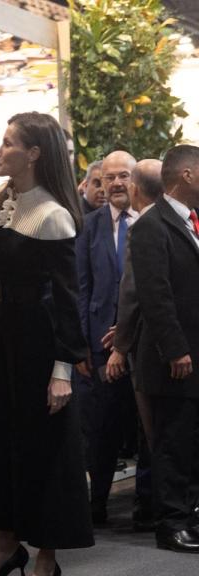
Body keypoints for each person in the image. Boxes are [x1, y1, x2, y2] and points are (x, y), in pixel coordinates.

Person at [0, 112, 93, 576]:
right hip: (3, 347)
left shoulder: (55, 216)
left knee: (45, 453)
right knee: (4, 447)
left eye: (9, 143)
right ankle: (7, 546)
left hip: (39, 350)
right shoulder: (4, 201)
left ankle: (46, 559)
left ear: (33, 154)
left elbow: (67, 304)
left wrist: (62, 371)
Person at [129, 144, 199, 553]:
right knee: (172, 443)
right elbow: (155, 296)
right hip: (173, 360)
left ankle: (188, 514)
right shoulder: (151, 226)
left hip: (194, 356)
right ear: (186, 175)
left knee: (191, 442)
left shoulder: (192, 220)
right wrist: (175, 349)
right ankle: (171, 524)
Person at [75, 150, 138, 525]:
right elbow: (81, 288)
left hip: (144, 345)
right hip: (100, 346)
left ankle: (149, 506)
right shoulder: (89, 226)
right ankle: (96, 504)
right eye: (107, 178)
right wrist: (81, 343)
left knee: (147, 430)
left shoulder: (148, 222)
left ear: (135, 180)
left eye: (122, 176)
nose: (114, 183)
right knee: (101, 430)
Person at [104, 158, 164, 532]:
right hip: (165, 343)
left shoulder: (144, 226)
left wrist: (121, 344)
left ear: (136, 188)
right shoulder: (180, 221)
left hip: (151, 348)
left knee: (157, 433)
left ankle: (168, 513)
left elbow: (134, 292)